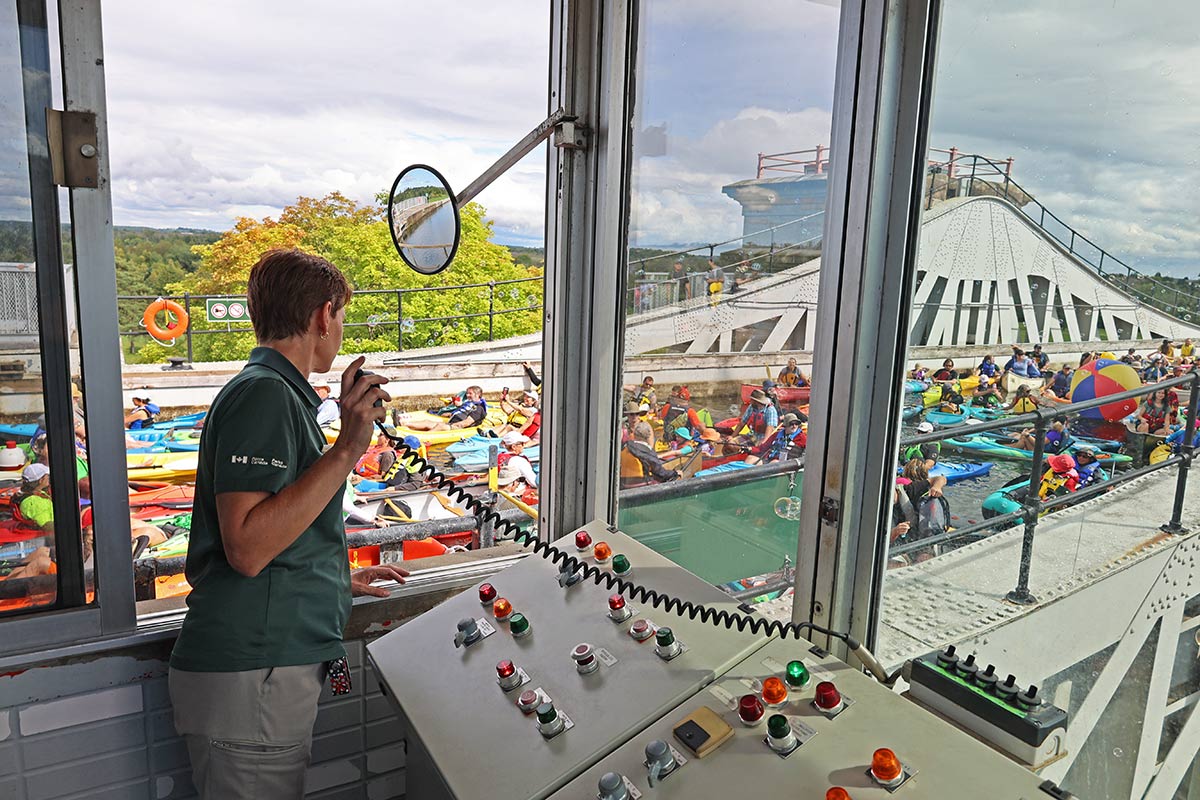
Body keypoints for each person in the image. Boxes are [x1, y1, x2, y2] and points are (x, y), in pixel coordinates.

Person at [168, 248, 409, 799]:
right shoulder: (265, 395)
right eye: (341, 317)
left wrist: (329, 578)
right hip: (253, 676)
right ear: (323, 315)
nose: (340, 330)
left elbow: (279, 530)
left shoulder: (278, 394)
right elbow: (248, 546)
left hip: (261, 673)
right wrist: (348, 447)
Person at [403, 386, 488, 431]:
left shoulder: (479, 409)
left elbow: (466, 423)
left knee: (440, 426)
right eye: (467, 393)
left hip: (459, 428)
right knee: (427, 422)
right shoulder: (468, 404)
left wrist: (450, 425)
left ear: (477, 395)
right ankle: (403, 424)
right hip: (452, 424)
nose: (467, 395)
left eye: (470, 393)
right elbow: (460, 413)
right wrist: (447, 414)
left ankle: (422, 438)